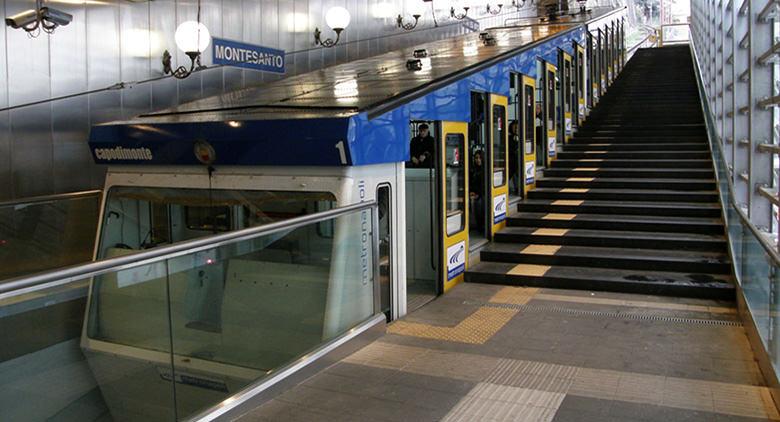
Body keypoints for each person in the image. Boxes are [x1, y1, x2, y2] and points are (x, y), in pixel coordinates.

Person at [470, 150, 485, 234]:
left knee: (479, 203)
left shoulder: (486, 170)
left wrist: (477, 194)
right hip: (474, 193)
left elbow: (484, 186)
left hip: (481, 194)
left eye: (480, 158)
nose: (478, 160)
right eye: (476, 158)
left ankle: (481, 226)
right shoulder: (472, 170)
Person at [508, 121, 520, 192]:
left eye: (517, 128)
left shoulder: (523, 137)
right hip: (512, 162)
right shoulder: (509, 138)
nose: (516, 129)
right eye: (514, 128)